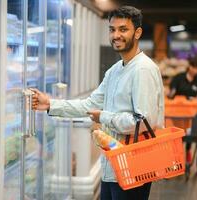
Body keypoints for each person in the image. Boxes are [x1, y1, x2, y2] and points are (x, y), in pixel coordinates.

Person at [31, 6, 164, 200]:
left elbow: (144, 122)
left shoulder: (143, 70)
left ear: (137, 33)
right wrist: (50, 104)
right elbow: (89, 104)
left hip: (134, 168)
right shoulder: (115, 70)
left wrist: (104, 116)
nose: (116, 35)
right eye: (112, 29)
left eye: (123, 29)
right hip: (113, 166)